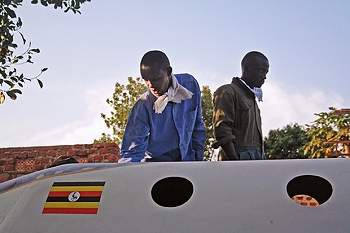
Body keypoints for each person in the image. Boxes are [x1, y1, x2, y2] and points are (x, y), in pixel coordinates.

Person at [119, 50, 205, 162]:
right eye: (146, 80)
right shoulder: (143, 106)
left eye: (156, 79)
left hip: (188, 163)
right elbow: (131, 153)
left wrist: (197, 161)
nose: (151, 86)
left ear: (168, 72)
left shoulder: (190, 85)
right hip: (157, 169)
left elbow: (197, 127)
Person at [212, 51, 269, 160]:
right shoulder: (227, 91)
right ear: (247, 68)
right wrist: (236, 164)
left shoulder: (252, 99)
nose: (264, 77)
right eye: (261, 71)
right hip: (236, 164)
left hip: (255, 163)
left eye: (266, 72)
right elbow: (223, 130)